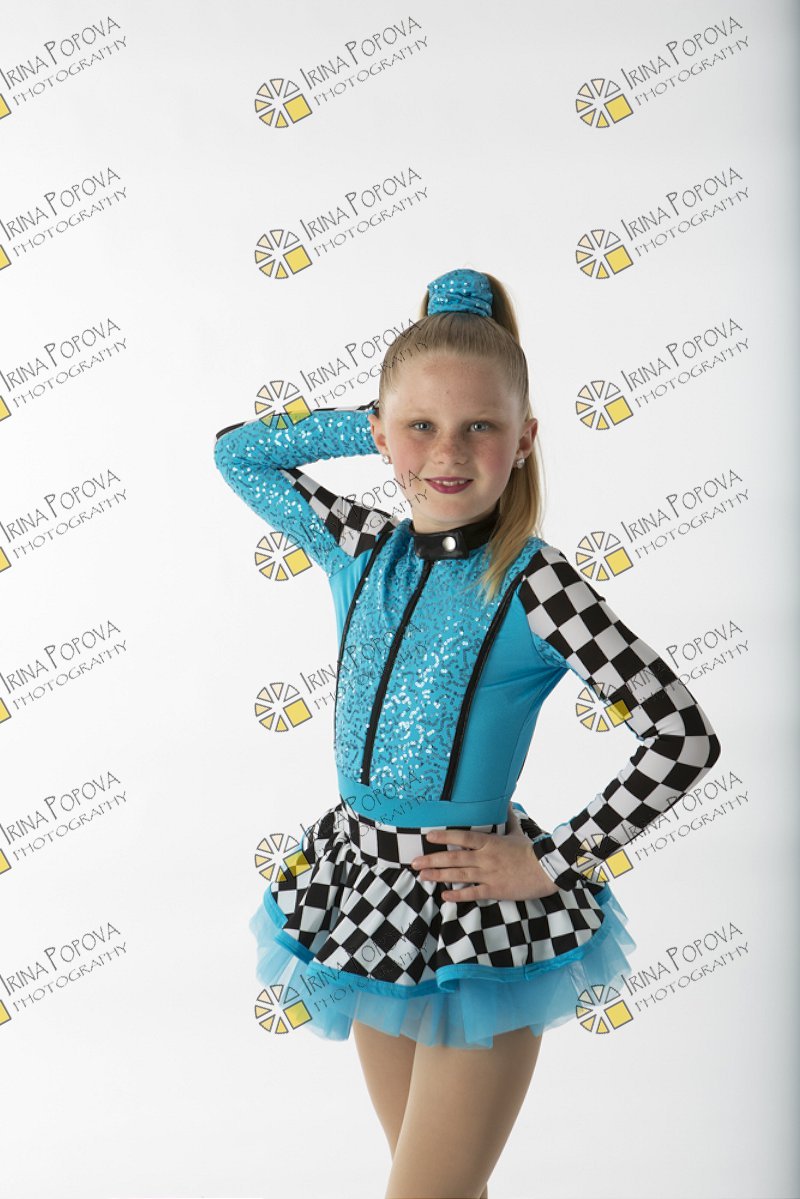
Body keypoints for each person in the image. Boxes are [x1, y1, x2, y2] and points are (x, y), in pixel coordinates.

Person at [213, 267, 722, 1199]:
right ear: (381, 432)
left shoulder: (537, 583)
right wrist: (377, 419)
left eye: (480, 426)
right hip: (363, 897)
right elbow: (238, 453)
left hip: (480, 917)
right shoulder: (359, 544)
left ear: (524, 439)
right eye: (421, 426)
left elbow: (681, 735)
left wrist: (558, 859)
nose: (447, 452)